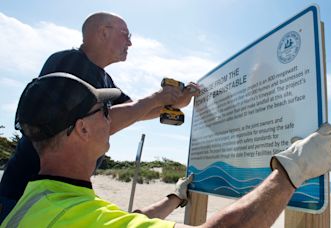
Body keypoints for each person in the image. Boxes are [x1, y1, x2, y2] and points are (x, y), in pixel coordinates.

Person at [2, 73, 331, 227]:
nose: (110, 118)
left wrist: (174, 199)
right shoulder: (71, 216)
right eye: (103, 111)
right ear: (82, 128)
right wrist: (291, 171)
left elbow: (126, 223)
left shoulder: (42, 199)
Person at [0, 12, 198, 222]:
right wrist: (157, 99)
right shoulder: (69, 63)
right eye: (125, 34)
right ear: (103, 32)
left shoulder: (105, 80)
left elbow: (136, 111)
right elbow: (82, 121)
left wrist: (173, 103)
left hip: (59, 194)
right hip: (26, 195)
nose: (130, 42)